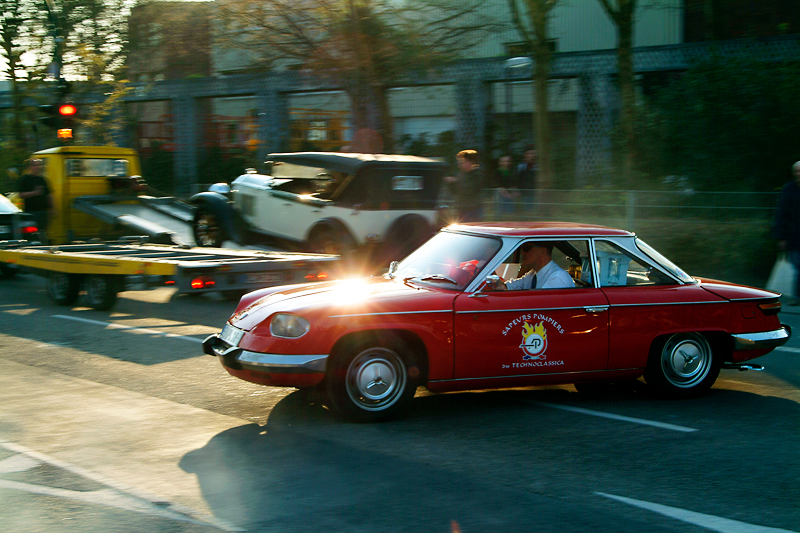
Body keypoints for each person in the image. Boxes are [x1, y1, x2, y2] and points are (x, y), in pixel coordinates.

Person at [494, 241, 574, 290]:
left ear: (542, 251)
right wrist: (491, 274)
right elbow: (509, 287)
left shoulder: (557, 278)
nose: (522, 253)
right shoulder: (532, 274)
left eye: (526, 248)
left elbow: (540, 306)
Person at [774, 161, 800, 305]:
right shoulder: (788, 189)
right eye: (797, 171)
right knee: (797, 266)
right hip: (794, 236)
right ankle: (796, 296)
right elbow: (781, 214)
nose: (798, 174)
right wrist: (781, 237)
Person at [444, 149, 486, 222]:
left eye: (463, 162)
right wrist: (451, 183)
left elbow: (469, 190)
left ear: (471, 162)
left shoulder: (477, 175)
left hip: (473, 208)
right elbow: (455, 191)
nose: (460, 165)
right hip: (462, 207)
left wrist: (454, 182)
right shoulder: (461, 174)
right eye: (459, 163)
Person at [17, 158, 53, 244]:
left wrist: (52, 208)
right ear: (30, 167)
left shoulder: (42, 179)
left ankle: (44, 246)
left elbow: (49, 195)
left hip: (43, 212)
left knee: (42, 231)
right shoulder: (24, 179)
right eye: (35, 165)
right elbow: (21, 194)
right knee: (33, 233)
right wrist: (34, 193)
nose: (38, 167)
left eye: (39, 165)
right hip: (31, 212)